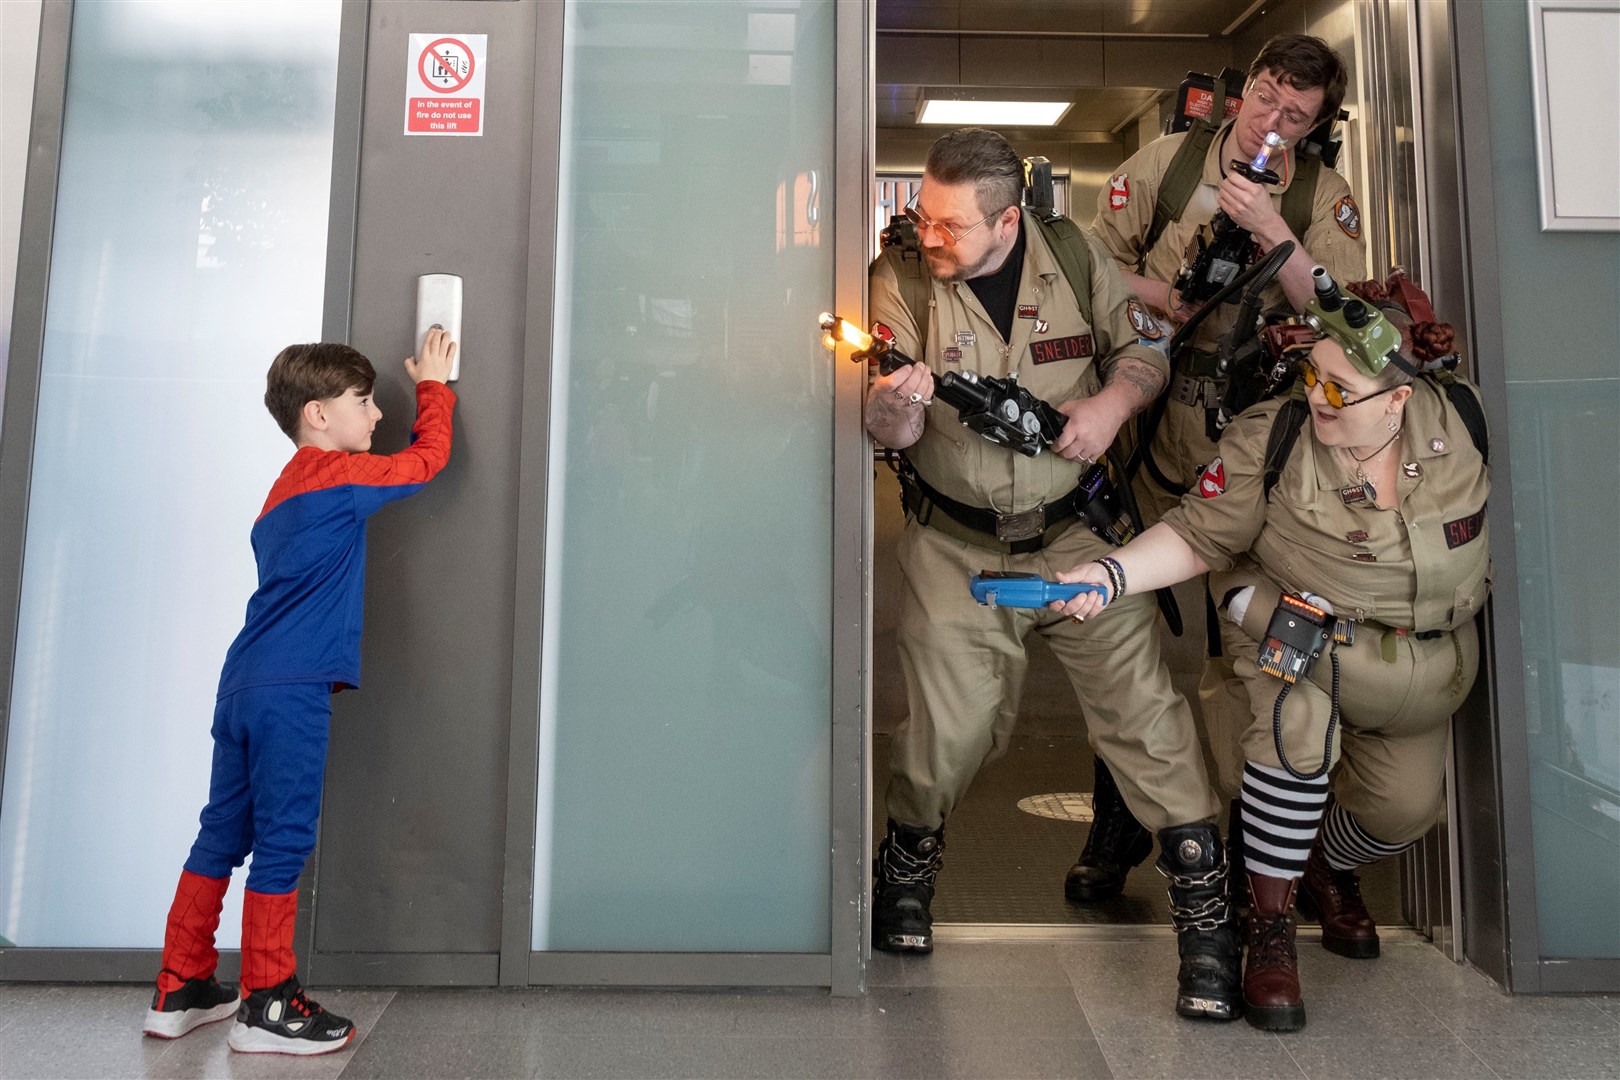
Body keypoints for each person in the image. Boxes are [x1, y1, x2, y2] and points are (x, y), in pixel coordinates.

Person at [867, 127, 1241, 1022]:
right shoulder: (905, 279)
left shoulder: (1071, 255)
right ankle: (907, 867)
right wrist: (894, 410)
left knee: (1148, 722)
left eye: (952, 225)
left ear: (1006, 221)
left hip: (1081, 538)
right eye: (925, 216)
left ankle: (1207, 925)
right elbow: (884, 430)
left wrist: (1113, 404)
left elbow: (1143, 349)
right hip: (955, 544)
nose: (931, 236)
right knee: (950, 735)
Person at [1050, 275, 1487, 1031]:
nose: (1319, 396)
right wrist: (1111, 574)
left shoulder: (1463, 420)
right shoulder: (1272, 436)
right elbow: (1196, 534)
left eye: (1341, 389)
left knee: (1405, 811)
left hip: (1424, 665)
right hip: (1304, 638)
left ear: (1398, 399)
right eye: (1313, 374)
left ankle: (1323, 861)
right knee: (1294, 730)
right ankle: (1270, 921)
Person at [1076, 33, 1368, 900]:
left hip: (1267, 447)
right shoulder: (1168, 164)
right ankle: (1118, 826)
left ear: (1314, 128)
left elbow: (1350, 319)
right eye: (1268, 97)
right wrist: (1164, 299)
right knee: (1129, 636)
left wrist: (1273, 230)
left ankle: (1256, 844)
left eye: (1296, 115)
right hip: (1159, 430)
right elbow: (1090, 269)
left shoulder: (1321, 196)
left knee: (1251, 647)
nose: (1272, 122)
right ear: (1247, 90)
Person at [141, 329, 459, 1054]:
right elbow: (426, 461)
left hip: (243, 683)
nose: (376, 415)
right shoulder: (337, 477)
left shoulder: (280, 493)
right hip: (292, 688)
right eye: (363, 401)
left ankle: (179, 988)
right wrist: (436, 386)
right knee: (282, 841)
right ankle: (268, 1005)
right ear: (318, 414)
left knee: (221, 832)